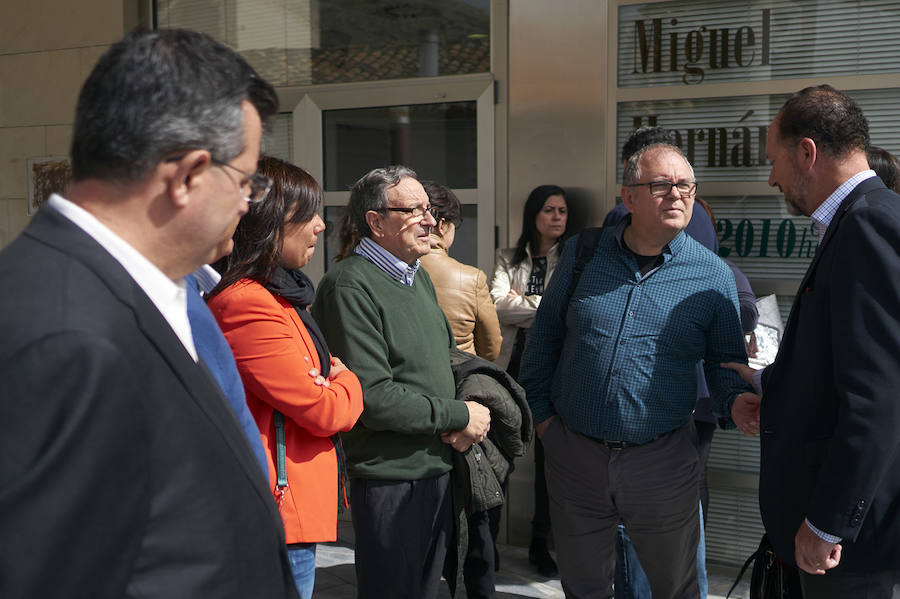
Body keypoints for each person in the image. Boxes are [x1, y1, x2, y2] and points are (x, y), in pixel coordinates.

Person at [0, 28, 300, 598]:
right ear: (186, 177)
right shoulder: (62, 334)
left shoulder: (156, 294)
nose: (248, 203)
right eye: (247, 181)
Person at [520, 142, 757, 598]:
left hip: (662, 460)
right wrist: (545, 421)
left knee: (676, 588)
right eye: (661, 186)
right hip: (575, 455)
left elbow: (726, 362)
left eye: (685, 185)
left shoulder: (711, 274)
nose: (677, 196)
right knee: (584, 587)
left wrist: (735, 401)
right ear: (628, 198)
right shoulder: (582, 254)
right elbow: (545, 336)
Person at [724, 85, 900, 598]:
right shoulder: (862, 218)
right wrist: (774, 390)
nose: (773, 177)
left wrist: (826, 523)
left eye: (774, 161)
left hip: (852, 545)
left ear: (807, 152)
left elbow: (879, 396)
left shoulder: (868, 224)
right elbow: (842, 365)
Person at [311, 165, 491, 599]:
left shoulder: (419, 277)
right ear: (376, 221)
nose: (430, 221)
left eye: (429, 210)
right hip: (392, 479)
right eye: (415, 211)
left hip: (439, 467)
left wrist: (468, 407)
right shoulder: (349, 286)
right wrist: (458, 414)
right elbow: (372, 397)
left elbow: (449, 362)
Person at [206, 156, 364, 598]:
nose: (320, 226)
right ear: (270, 221)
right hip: (276, 512)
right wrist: (349, 381)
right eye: (307, 215)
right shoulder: (246, 302)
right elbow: (323, 408)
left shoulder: (282, 296)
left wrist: (334, 379)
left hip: (292, 508)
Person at [419, 181, 502, 361]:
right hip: (461, 377)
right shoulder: (472, 279)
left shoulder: (390, 268)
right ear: (441, 225)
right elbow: (491, 349)